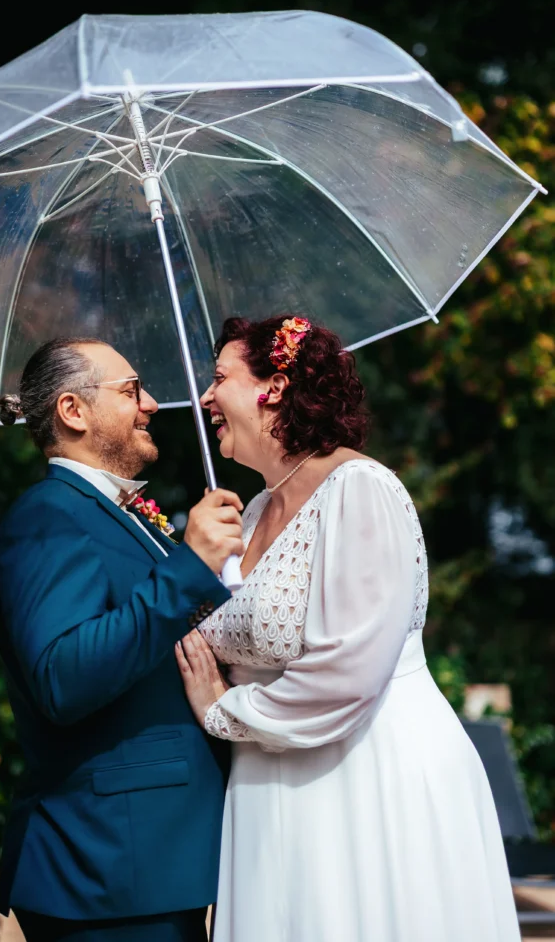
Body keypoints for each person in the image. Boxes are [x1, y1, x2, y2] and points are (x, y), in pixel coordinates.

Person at [176, 315, 520, 942]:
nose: (203, 398)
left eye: (219, 378)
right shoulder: (249, 513)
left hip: (365, 775)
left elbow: (348, 672)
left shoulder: (360, 489)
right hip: (269, 785)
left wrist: (225, 710)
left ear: (273, 387)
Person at [0, 336, 244, 942]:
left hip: (156, 858)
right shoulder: (47, 514)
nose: (152, 403)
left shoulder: (121, 516)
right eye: (131, 391)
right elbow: (63, 677)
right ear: (73, 412)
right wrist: (189, 564)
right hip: (108, 868)